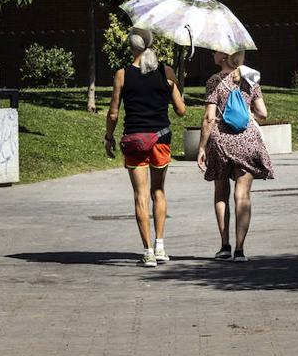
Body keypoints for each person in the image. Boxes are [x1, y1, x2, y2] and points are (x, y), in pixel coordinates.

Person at [104, 28, 188, 267]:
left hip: (134, 140)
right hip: (160, 140)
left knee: (140, 196)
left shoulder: (122, 74)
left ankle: (148, 252)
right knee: (158, 191)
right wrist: (176, 88)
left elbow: (113, 113)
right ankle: (161, 247)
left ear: (131, 47)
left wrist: (109, 137)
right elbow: (181, 111)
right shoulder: (166, 72)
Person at [197, 49, 273, 262]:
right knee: (243, 196)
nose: (213, 53)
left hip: (221, 142)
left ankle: (224, 246)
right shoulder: (250, 79)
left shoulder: (214, 81)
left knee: (221, 193)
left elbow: (209, 118)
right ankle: (240, 250)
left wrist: (202, 147)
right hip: (247, 141)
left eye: (216, 51)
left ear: (223, 57)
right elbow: (263, 113)